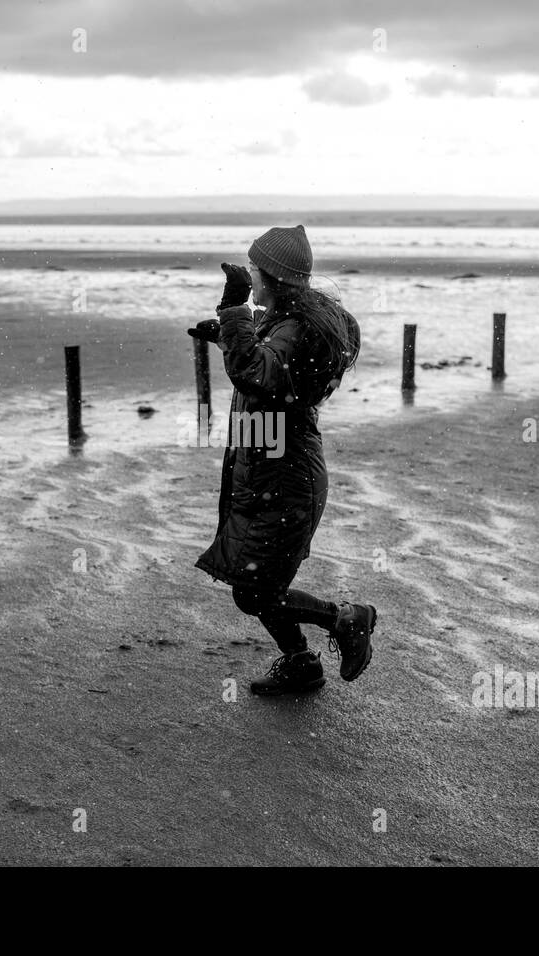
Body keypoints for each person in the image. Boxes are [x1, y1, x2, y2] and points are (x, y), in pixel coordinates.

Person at [191, 225, 377, 695]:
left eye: (254, 269)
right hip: (270, 471)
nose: (250, 275)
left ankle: (345, 619)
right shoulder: (285, 320)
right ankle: (300, 663)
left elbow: (257, 374)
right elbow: (269, 363)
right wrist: (228, 332)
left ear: (271, 276)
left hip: (287, 478)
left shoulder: (294, 326)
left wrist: (233, 310)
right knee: (253, 584)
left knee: (254, 589)